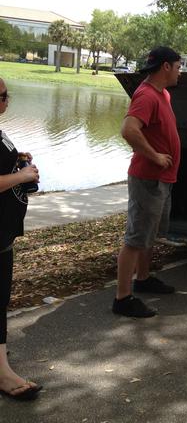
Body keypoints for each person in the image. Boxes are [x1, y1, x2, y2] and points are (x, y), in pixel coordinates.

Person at [112, 47, 182, 318]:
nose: (180, 72)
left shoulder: (163, 94)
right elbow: (128, 130)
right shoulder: (147, 95)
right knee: (135, 238)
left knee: (148, 235)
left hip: (161, 179)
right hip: (147, 179)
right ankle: (122, 298)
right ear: (166, 66)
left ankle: (143, 279)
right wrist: (154, 156)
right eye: (178, 66)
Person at [0, 78, 43, 400]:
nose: (7, 101)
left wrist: (16, 160)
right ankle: (3, 374)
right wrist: (23, 175)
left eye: (7, 95)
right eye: (3, 97)